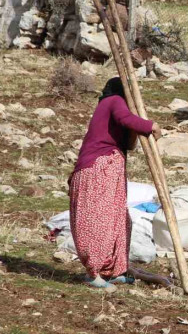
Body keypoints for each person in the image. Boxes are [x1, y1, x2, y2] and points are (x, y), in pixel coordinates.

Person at [68, 77, 161, 289]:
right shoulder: (113, 101)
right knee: (97, 219)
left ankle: (112, 270)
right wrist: (150, 125)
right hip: (97, 168)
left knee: (117, 218)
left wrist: (138, 126)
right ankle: (94, 274)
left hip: (109, 170)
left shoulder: (113, 107)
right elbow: (125, 118)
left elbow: (129, 141)